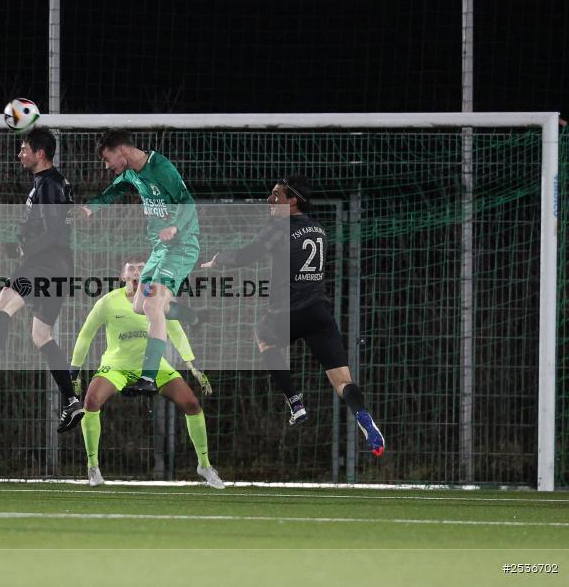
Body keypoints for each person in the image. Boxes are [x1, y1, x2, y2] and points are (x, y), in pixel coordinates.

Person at [202, 175, 385, 456]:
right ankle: (362, 414)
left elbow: (246, 256)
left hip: (288, 312)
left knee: (262, 335)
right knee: (343, 381)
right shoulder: (318, 229)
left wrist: (218, 261)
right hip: (319, 313)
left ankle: (295, 402)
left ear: (292, 201)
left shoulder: (278, 227)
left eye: (276, 195)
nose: (269, 200)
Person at [0, 127, 83, 433]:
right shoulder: (52, 182)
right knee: (41, 335)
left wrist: (25, 248)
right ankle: (71, 400)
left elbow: (53, 232)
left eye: (24, 148)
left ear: (40, 153)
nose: (19, 154)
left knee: (2, 305)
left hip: (44, 264)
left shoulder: (49, 183)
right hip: (59, 267)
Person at [70, 255, 224, 489]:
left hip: (154, 367)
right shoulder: (108, 302)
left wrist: (192, 364)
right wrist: (74, 370)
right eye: (131, 268)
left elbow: (176, 331)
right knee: (90, 401)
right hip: (117, 366)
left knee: (192, 404)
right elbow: (85, 334)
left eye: (142, 268)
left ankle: (204, 465)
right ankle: (93, 467)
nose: (136, 272)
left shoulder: (155, 299)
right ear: (123, 276)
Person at [74, 129, 203, 398]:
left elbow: (188, 203)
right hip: (160, 249)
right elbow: (112, 192)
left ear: (121, 151)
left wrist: (176, 228)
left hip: (181, 247)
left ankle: (148, 377)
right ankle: (188, 315)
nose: (107, 165)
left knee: (153, 303)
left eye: (107, 159)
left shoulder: (161, 167)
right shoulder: (132, 173)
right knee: (139, 306)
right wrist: (89, 208)